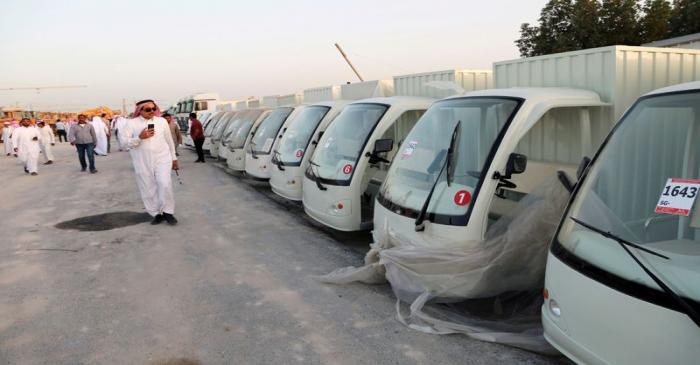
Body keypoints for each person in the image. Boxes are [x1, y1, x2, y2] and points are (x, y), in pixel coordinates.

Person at [120, 100, 179, 225]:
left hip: (162, 158)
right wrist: (139, 138)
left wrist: (174, 158)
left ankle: (168, 212)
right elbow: (124, 144)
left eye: (154, 108)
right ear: (140, 111)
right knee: (148, 187)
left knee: (164, 183)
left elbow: (169, 141)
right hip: (142, 160)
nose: (152, 111)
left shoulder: (161, 121)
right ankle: (156, 213)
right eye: (148, 110)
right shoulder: (131, 123)